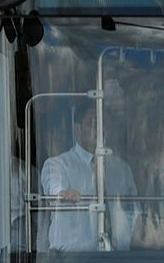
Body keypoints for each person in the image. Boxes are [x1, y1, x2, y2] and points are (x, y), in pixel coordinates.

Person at [41, 100, 139, 250]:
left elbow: (134, 210)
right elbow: (54, 189)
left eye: (104, 124)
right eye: (93, 124)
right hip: (72, 259)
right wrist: (63, 193)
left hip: (118, 257)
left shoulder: (121, 168)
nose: (100, 129)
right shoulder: (58, 165)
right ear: (77, 129)